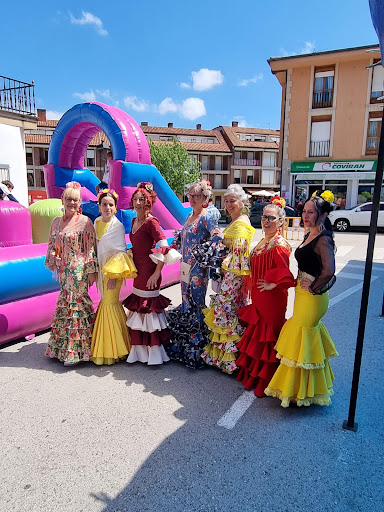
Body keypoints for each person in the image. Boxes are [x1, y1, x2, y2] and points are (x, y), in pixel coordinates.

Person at [265, 191, 338, 407]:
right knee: (302, 342)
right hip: (303, 295)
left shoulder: (323, 239)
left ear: (323, 215)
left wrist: (313, 286)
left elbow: (329, 271)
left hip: (312, 298)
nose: (305, 216)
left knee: (302, 338)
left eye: (311, 212)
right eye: (304, 212)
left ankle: (298, 392)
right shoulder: (309, 234)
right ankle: (301, 390)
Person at [235, 197, 295, 396]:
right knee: (259, 333)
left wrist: (272, 284)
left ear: (280, 222)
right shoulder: (264, 240)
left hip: (272, 300)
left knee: (268, 335)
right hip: (261, 297)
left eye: (271, 218)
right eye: (264, 217)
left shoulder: (278, 244)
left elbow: (285, 272)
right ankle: (255, 376)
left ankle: (267, 380)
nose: (266, 221)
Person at [166, 179, 223, 369]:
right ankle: (185, 346)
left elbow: (218, 236)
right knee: (185, 301)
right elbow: (184, 236)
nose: (191, 198)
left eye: (195, 195)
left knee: (196, 303)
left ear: (205, 197)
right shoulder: (190, 215)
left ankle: (197, 350)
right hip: (184, 266)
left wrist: (203, 252)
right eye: (190, 195)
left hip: (198, 268)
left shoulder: (207, 217)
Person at [123, 182, 181, 365]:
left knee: (148, 311)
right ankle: (139, 353)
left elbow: (164, 247)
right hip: (137, 272)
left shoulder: (152, 222)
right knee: (138, 311)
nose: (138, 202)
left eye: (142, 199)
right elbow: (139, 245)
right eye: (136, 199)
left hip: (150, 272)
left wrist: (157, 273)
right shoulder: (133, 221)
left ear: (148, 202)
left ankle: (154, 354)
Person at [202, 184, 255, 374]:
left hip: (233, 277)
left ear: (242, 202)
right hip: (229, 275)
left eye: (233, 201)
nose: (229, 204)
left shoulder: (241, 223)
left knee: (227, 311)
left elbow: (238, 257)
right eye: (226, 201)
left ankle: (231, 360)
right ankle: (226, 358)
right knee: (229, 312)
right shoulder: (235, 220)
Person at [45, 182, 98, 366]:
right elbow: (51, 244)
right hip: (63, 270)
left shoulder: (85, 222)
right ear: (63, 200)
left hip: (79, 271)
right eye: (69, 199)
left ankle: (77, 351)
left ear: (80, 202)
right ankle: (63, 348)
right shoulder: (56, 222)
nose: (72, 203)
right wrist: (53, 254)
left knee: (76, 306)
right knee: (66, 305)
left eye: (75, 200)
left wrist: (91, 270)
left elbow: (91, 248)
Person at [91, 189, 137, 365]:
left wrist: (112, 275)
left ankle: (112, 348)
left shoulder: (117, 226)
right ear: (99, 206)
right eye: (104, 204)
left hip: (113, 273)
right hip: (101, 269)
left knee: (109, 303)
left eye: (111, 204)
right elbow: (96, 247)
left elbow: (120, 252)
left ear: (116, 208)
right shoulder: (96, 222)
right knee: (108, 302)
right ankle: (119, 342)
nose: (108, 207)